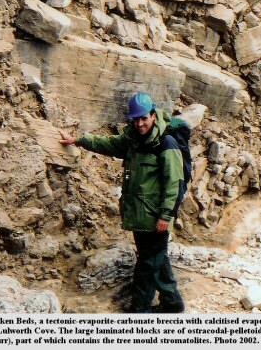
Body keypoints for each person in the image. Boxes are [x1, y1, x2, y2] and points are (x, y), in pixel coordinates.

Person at [59, 92, 186, 313]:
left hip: (156, 217)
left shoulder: (166, 143)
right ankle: (173, 304)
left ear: (153, 115)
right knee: (156, 259)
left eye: (143, 118)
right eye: (135, 119)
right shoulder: (134, 141)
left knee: (147, 266)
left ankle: (140, 311)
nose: (139, 124)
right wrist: (77, 140)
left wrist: (166, 215)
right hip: (140, 215)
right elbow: (108, 143)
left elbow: (174, 182)